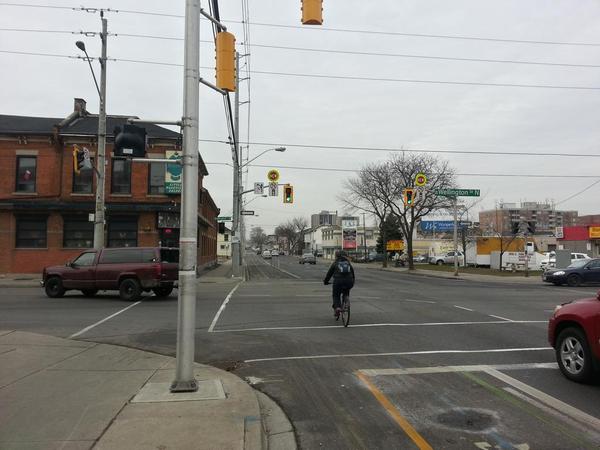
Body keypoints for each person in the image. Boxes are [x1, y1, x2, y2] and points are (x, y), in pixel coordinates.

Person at [323, 250, 355, 317]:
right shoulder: (348, 263)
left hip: (338, 281)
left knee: (336, 295)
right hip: (349, 281)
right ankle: (346, 302)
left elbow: (329, 274)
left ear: (337, 256)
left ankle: (337, 308)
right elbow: (353, 273)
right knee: (346, 292)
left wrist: (326, 281)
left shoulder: (335, 263)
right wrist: (352, 282)